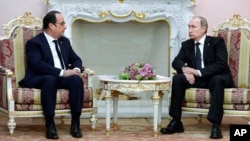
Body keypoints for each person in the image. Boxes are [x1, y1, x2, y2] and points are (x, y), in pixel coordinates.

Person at [160, 16, 235, 139]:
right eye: (189, 26)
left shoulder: (217, 42)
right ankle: (176, 121)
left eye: (193, 27)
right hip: (197, 79)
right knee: (178, 79)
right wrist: (185, 71)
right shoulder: (187, 45)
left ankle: (216, 124)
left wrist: (197, 72)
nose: (189, 30)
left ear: (204, 29)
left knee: (216, 80)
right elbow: (176, 62)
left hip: (216, 77)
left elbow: (221, 64)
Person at [18, 11, 84, 139]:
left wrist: (75, 69)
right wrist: (63, 72)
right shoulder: (34, 43)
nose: (65, 26)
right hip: (39, 78)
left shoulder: (64, 42)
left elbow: (76, 59)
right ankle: (50, 124)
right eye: (62, 23)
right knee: (50, 79)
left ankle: (75, 123)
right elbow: (38, 65)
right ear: (51, 26)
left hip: (58, 78)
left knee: (76, 80)